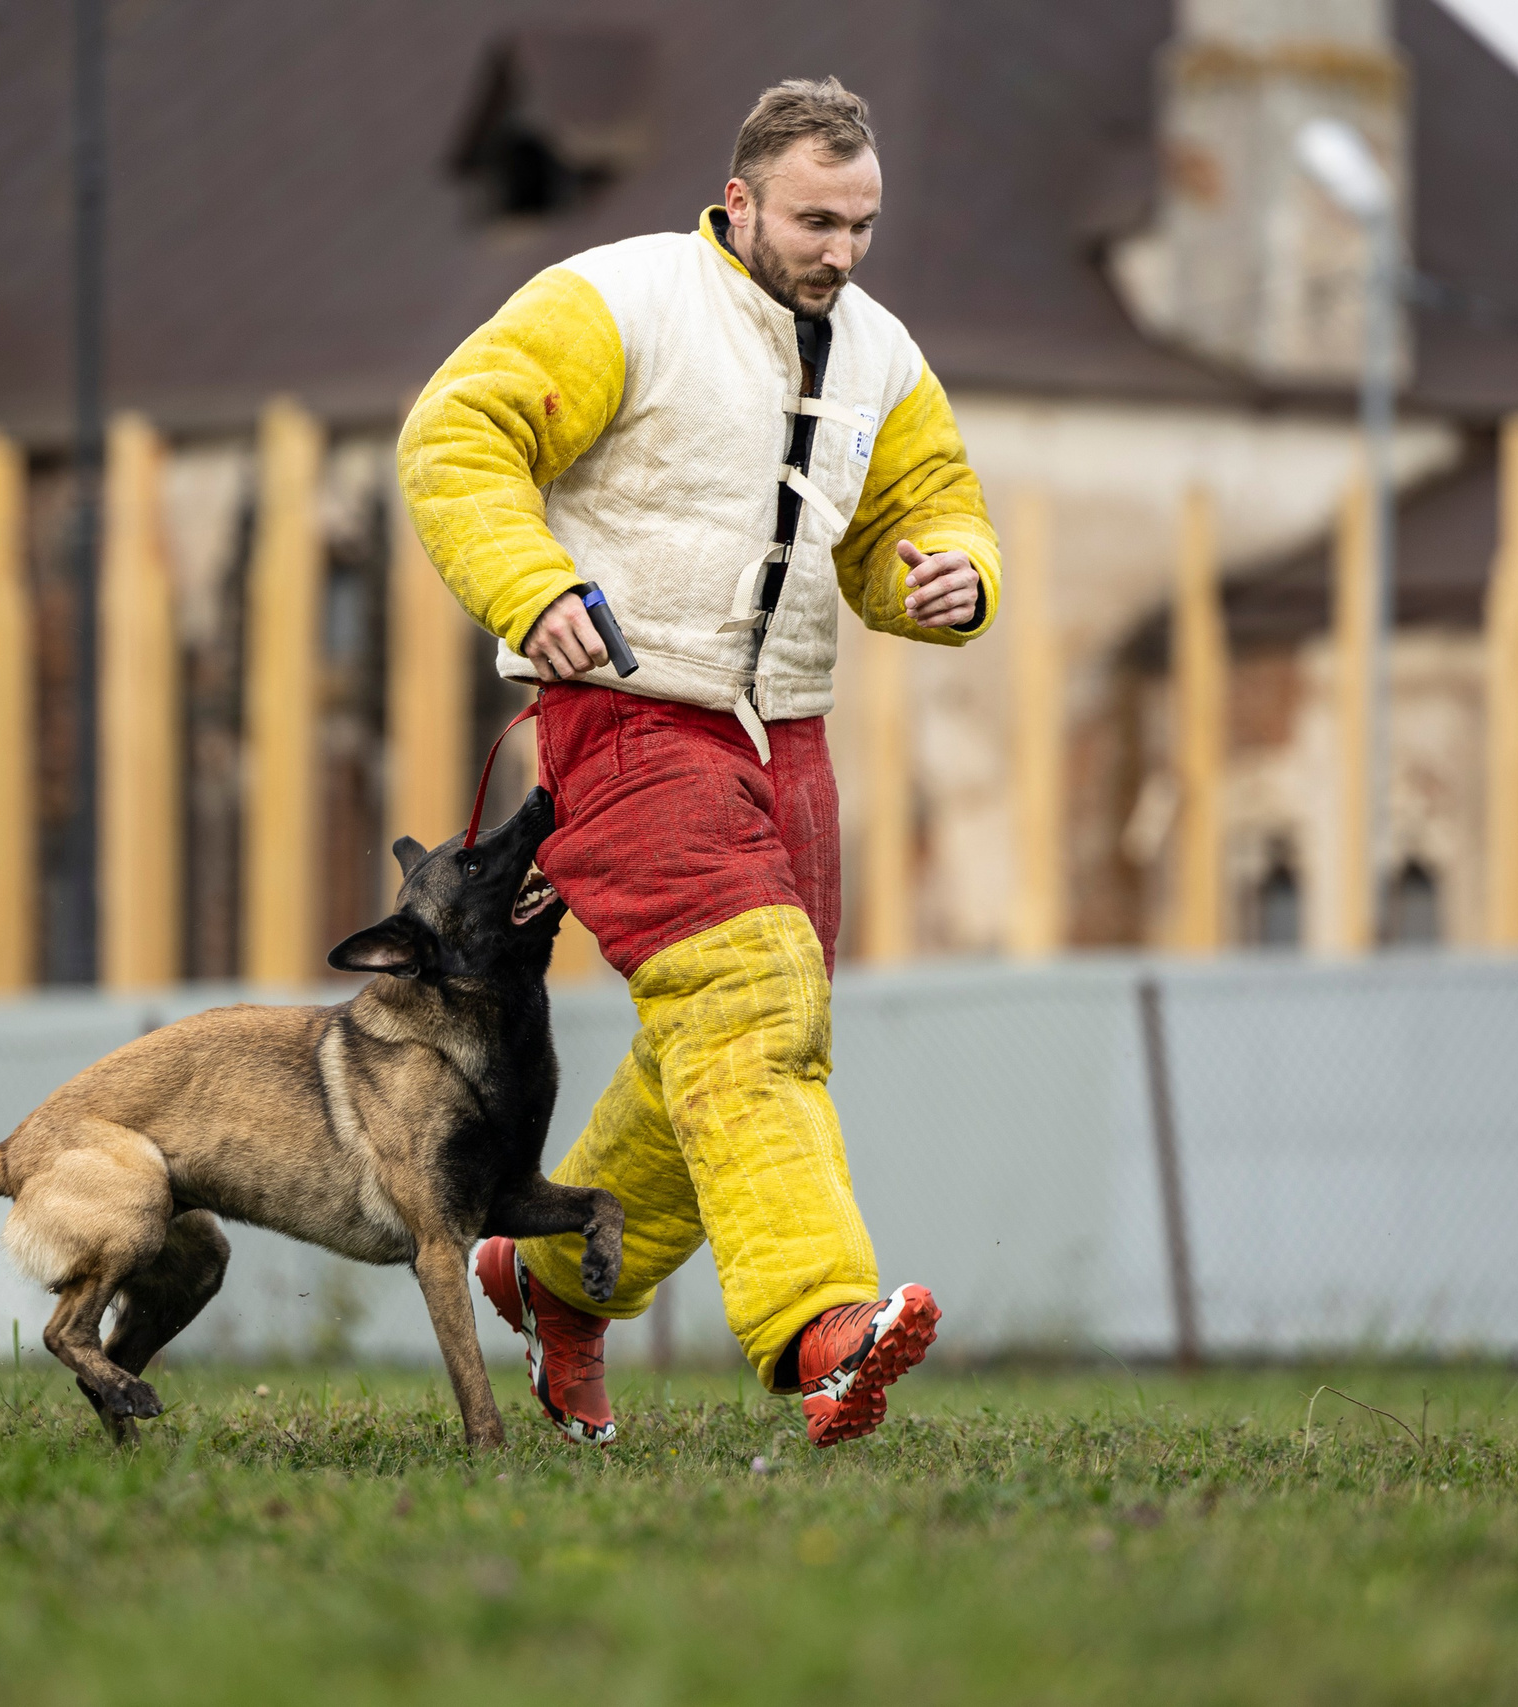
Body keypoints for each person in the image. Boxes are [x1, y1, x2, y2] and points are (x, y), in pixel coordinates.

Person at [401, 77, 1001, 1447]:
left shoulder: (883, 355)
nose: (840, 251)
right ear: (739, 202)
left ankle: (553, 1275)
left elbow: (925, 510)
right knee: (750, 992)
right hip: (625, 710)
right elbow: (456, 432)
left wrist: (953, 577)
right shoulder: (619, 299)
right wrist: (527, 584)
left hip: (788, 733)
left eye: (861, 224)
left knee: (735, 1038)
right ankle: (822, 1325)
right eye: (813, 220)